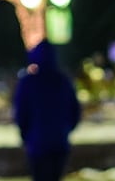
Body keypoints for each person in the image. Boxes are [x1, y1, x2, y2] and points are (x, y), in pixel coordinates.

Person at [13, 41, 82, 181]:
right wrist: (65, 130)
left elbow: (21, 113)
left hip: (37, 142)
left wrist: (26, 136)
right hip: (59, 142)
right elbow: (75, 110)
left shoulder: (28, 83)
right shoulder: (63, 81)